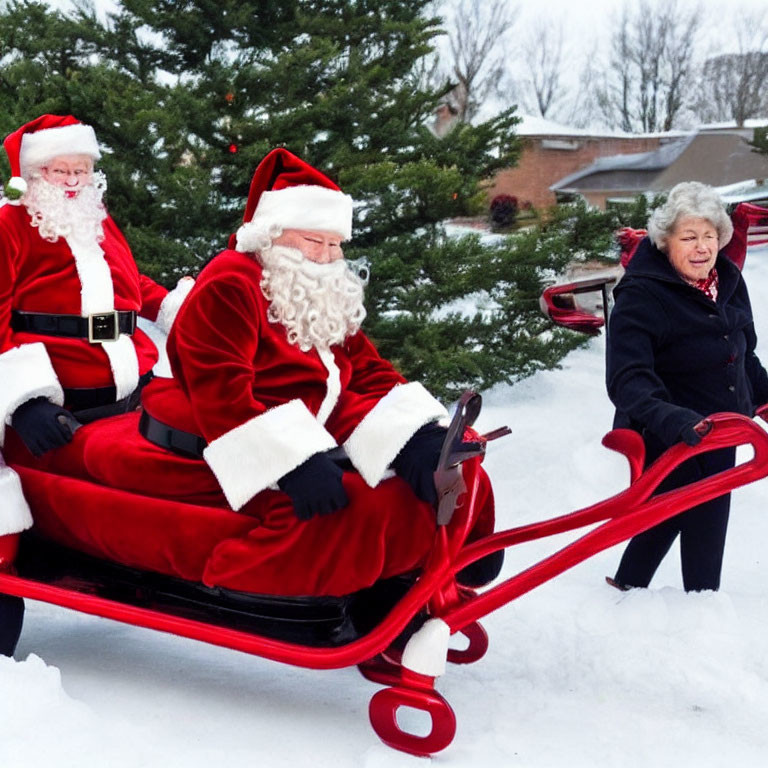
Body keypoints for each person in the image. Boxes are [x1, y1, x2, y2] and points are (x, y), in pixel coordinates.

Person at [8, 148, 500, 599]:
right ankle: (236, 577)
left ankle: (451, 555)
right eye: (314, 242)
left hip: (297, 419)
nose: (328, 258)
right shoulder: (231, 283)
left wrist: (412, 434)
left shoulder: (316, 284)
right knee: (353, 507)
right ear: (272, 234)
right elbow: (221, 395)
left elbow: (360, 368)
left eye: (335, 245)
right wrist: (290, 462)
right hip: (205, 438)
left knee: (442, 457)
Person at [0, 115, 191, 652]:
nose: (73, 181)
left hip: (131, 388)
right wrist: (26, 401)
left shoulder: (96, 222)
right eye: (62, 169)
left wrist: (180, 308)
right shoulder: (11, 226)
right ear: (33, 173)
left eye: (82, 169)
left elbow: (133, 287)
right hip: (61, 403)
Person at [606, 181, 768, 592]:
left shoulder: (727, 281)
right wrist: (675, 419)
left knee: (690, 515)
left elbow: (743, 356)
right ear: (665, 242)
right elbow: (628, 378)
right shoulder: (641, 294)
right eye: (689, 237)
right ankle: (692, 604)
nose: (702, 248)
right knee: (683, 512)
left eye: (710, 236)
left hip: (723, 427)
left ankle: (629, 590)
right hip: (667, 431)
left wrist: (763, 399)